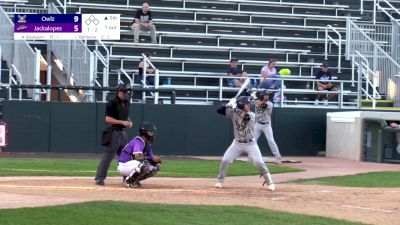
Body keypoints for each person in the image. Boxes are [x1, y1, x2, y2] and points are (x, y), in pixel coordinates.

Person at [214, 96, 275, 191]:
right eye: (246, 104)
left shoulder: (251, 115)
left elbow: (245, 117)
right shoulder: (233, 113)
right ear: (241, 105)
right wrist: (227, 105)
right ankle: (220, 181)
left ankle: (269, 182)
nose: (248, 105)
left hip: (251, 144)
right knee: (225, 160)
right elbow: (218, 110)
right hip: (237, 143)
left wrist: (234, 107)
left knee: (259, 162)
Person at [95, 84, 133, 186]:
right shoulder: (111, 103)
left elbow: (126, 115)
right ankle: (99, 178)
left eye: (127, 92)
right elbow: (108, 120)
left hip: (123, 133)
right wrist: (122, 122)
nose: (126, 94)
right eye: (125, 92)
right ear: (119, 92)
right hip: (114, 132)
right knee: (108, 157)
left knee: (126, 157)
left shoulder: (127, 102)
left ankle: (128, 179)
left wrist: (129, 121)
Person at [117, 122, 161, 188]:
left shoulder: (147, 144)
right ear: (146, 132)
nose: (153, 134)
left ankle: (133, 179)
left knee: (155, 167)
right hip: (124, 165)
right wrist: (151, 158)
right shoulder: (138, 141)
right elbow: (137, 157)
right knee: (144, 164)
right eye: (151, 132)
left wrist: (155, 160)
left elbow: (150, 158)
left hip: (132, 165)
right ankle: (128, 181)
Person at [254, 90, 282, 164]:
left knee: (271, 141)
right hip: (257, 124)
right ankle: (252, 156)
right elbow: (246, 103)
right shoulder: (256, 101)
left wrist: (254, 98)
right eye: (265, 95)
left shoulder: (270, 104)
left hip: (266, 125)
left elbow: (262, 106)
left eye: (267, 95)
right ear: (261, 96)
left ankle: (278, 157)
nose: (267, 96)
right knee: (253, 140)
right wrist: (250, 95)